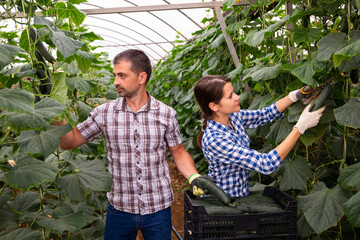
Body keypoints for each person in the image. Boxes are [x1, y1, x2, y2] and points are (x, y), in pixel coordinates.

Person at [53, 49, 210, 240]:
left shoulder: (166, 114)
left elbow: (178, 152)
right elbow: (69, 142)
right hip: (120, 208)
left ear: (141, 77)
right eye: (115, 75)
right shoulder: (104, 113)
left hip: (157, 207)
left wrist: (193, 176)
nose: (115, 82)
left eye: (122, 75)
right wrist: (55, 111)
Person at [193, 75, 325, 198]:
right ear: (214, 106)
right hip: (224, 203)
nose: (237, 97)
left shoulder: (233, 117)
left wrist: (294, 96)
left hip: (240, 196)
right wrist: (300, 127)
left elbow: (265, 114)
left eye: (234, 92)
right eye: (230, 96)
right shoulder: (215, 140)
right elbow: (266, 164)